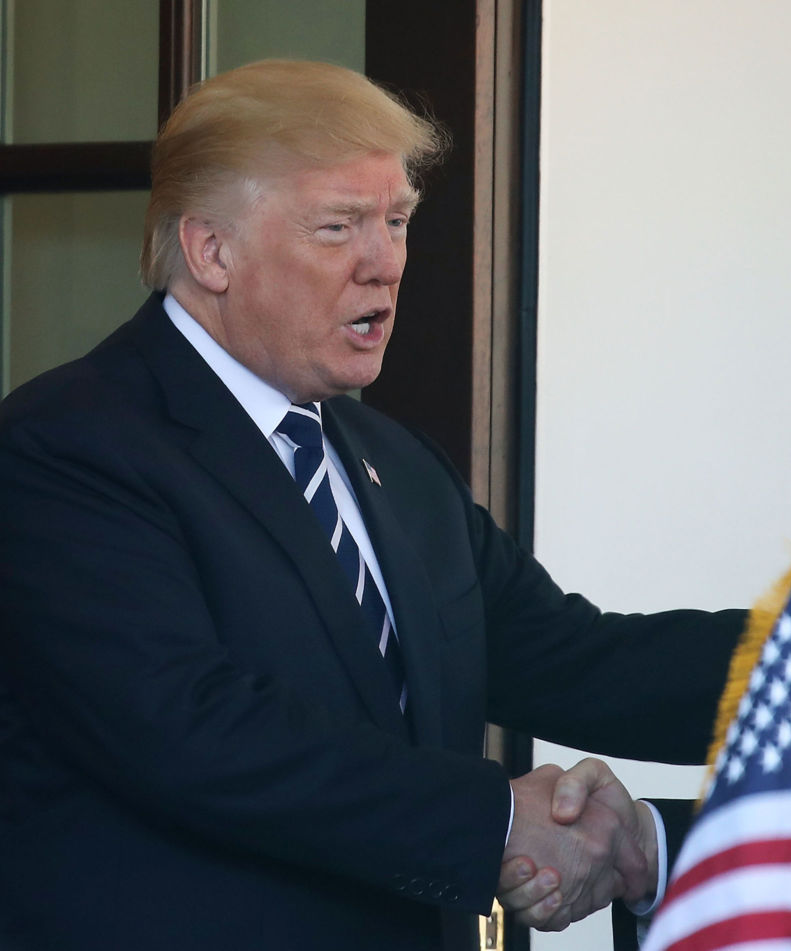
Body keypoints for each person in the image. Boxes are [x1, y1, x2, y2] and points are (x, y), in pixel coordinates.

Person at [0, 59, 747, 950]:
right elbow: (194, 731)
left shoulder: (389, 458)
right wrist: (498, 822)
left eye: (396, 221)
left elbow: (575, 659)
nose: (384, 262)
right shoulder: (67, 445)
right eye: (338, 226)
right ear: (211, 251)